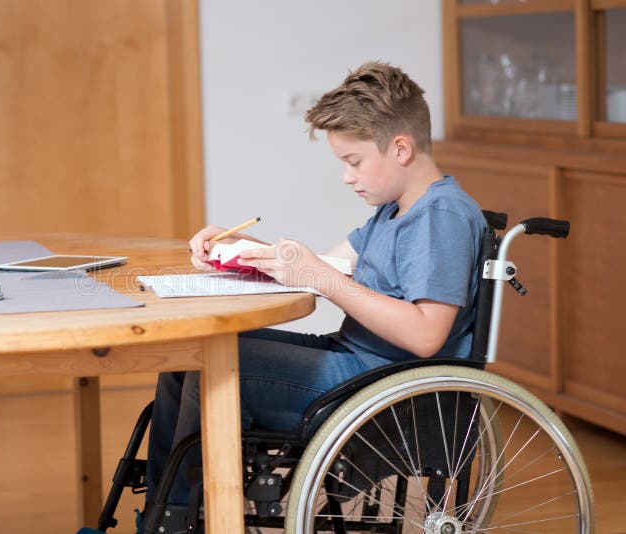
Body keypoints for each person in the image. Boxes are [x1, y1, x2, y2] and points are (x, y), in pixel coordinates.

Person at [144, 61, 488, 508]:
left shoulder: (440, 217)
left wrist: (320, 278)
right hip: (355, 364)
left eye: (354, 162)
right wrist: (239, 246)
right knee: (193, 350)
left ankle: (178, 515)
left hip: (385, 388)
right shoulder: (397, 210)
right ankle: (165, 508)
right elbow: (321, 263)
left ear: (401, 148)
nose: (348, 177)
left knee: (215, 365)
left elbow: (426, 334)